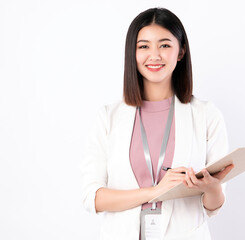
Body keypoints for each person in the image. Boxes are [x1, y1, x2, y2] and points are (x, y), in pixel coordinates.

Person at [80, 7, 234, 240]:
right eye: (143, 46)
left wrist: (212, 188)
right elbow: (93, 198)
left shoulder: (206, 115)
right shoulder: (108, 117)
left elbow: (213, 207)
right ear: (132, 53)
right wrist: (155, 192)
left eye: (164, 45)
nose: (154, 55)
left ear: (180, 52)